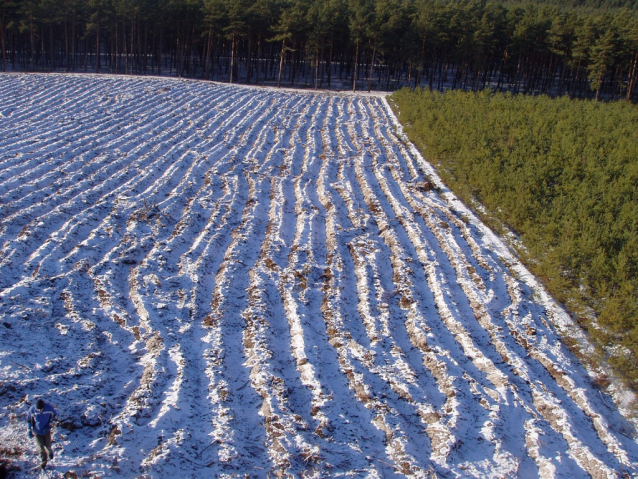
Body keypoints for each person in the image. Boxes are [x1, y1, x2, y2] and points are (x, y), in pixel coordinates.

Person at [26, 399, 57, 470]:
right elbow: (28, 420)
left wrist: (50, 425)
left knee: (48, 445)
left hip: (46, 431)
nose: (40, 410)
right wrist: (29, 430)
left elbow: (54, 416)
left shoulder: (49, 408)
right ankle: (44, 462)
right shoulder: (32, 410)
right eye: (38, 409)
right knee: (41, 447)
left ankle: (50, 452)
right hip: (37, 431)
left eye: (41, 409)